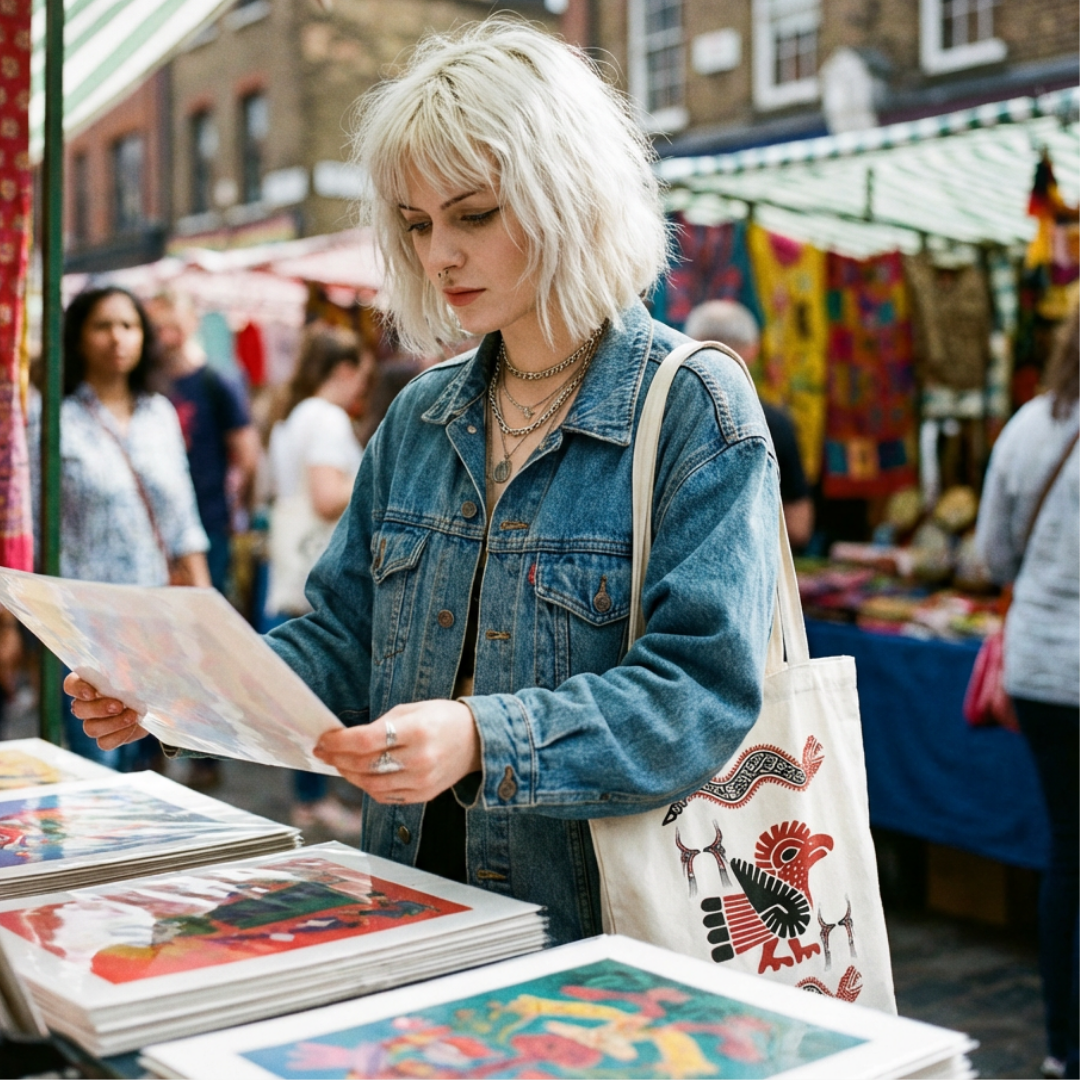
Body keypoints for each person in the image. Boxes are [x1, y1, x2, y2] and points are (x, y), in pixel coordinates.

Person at [68, 20, 779, 945]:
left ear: (569, 195)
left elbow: (701, 692)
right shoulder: (422, 414)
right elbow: (342, 643)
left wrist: (483, 738)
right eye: (415, 224)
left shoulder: (694, 404)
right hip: (406, 909)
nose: (438, 254)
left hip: (592, 939)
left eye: (472, 214)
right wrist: (176, 694)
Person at [30, 287, 210, 768]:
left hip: (153, 618)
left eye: (128, 325)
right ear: (78, 336)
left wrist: (205, 609)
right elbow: (27, 521)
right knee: (96, 757)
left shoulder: (160, 414)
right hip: (81, 623)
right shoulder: (49, 415)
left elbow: (183, 520)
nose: (117, 338)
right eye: (102, 325)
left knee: (149, 759)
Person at [975, 304, 1079, 1080]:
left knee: (1069, 853)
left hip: (1042, 667)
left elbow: (992, 554)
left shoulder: (1028, 427)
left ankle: (1059, 1042)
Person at [266, 323, 372, 835]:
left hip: (289, 555)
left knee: (299, 677)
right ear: (346, 370)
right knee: (316, 681)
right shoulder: (327, 419)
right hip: (318, 559)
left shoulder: (292, 414)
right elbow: (327, 497)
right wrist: (378, 484)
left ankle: (308, 795)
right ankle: (314, 796)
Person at [146, 292, 261, 594]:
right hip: (156, 522)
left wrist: (237, 512)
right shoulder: (150, 382)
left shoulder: (218, 379)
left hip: (208, 521)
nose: (166, 335)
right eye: (158, 327)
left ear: (192, 323)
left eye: (173, 325)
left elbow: (247, 453)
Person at [684, 300, 814, 550]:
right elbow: (799, 528)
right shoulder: (775, 424)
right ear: (753, 350)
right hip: (756, 572)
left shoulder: (661, 414)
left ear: (687, 343)